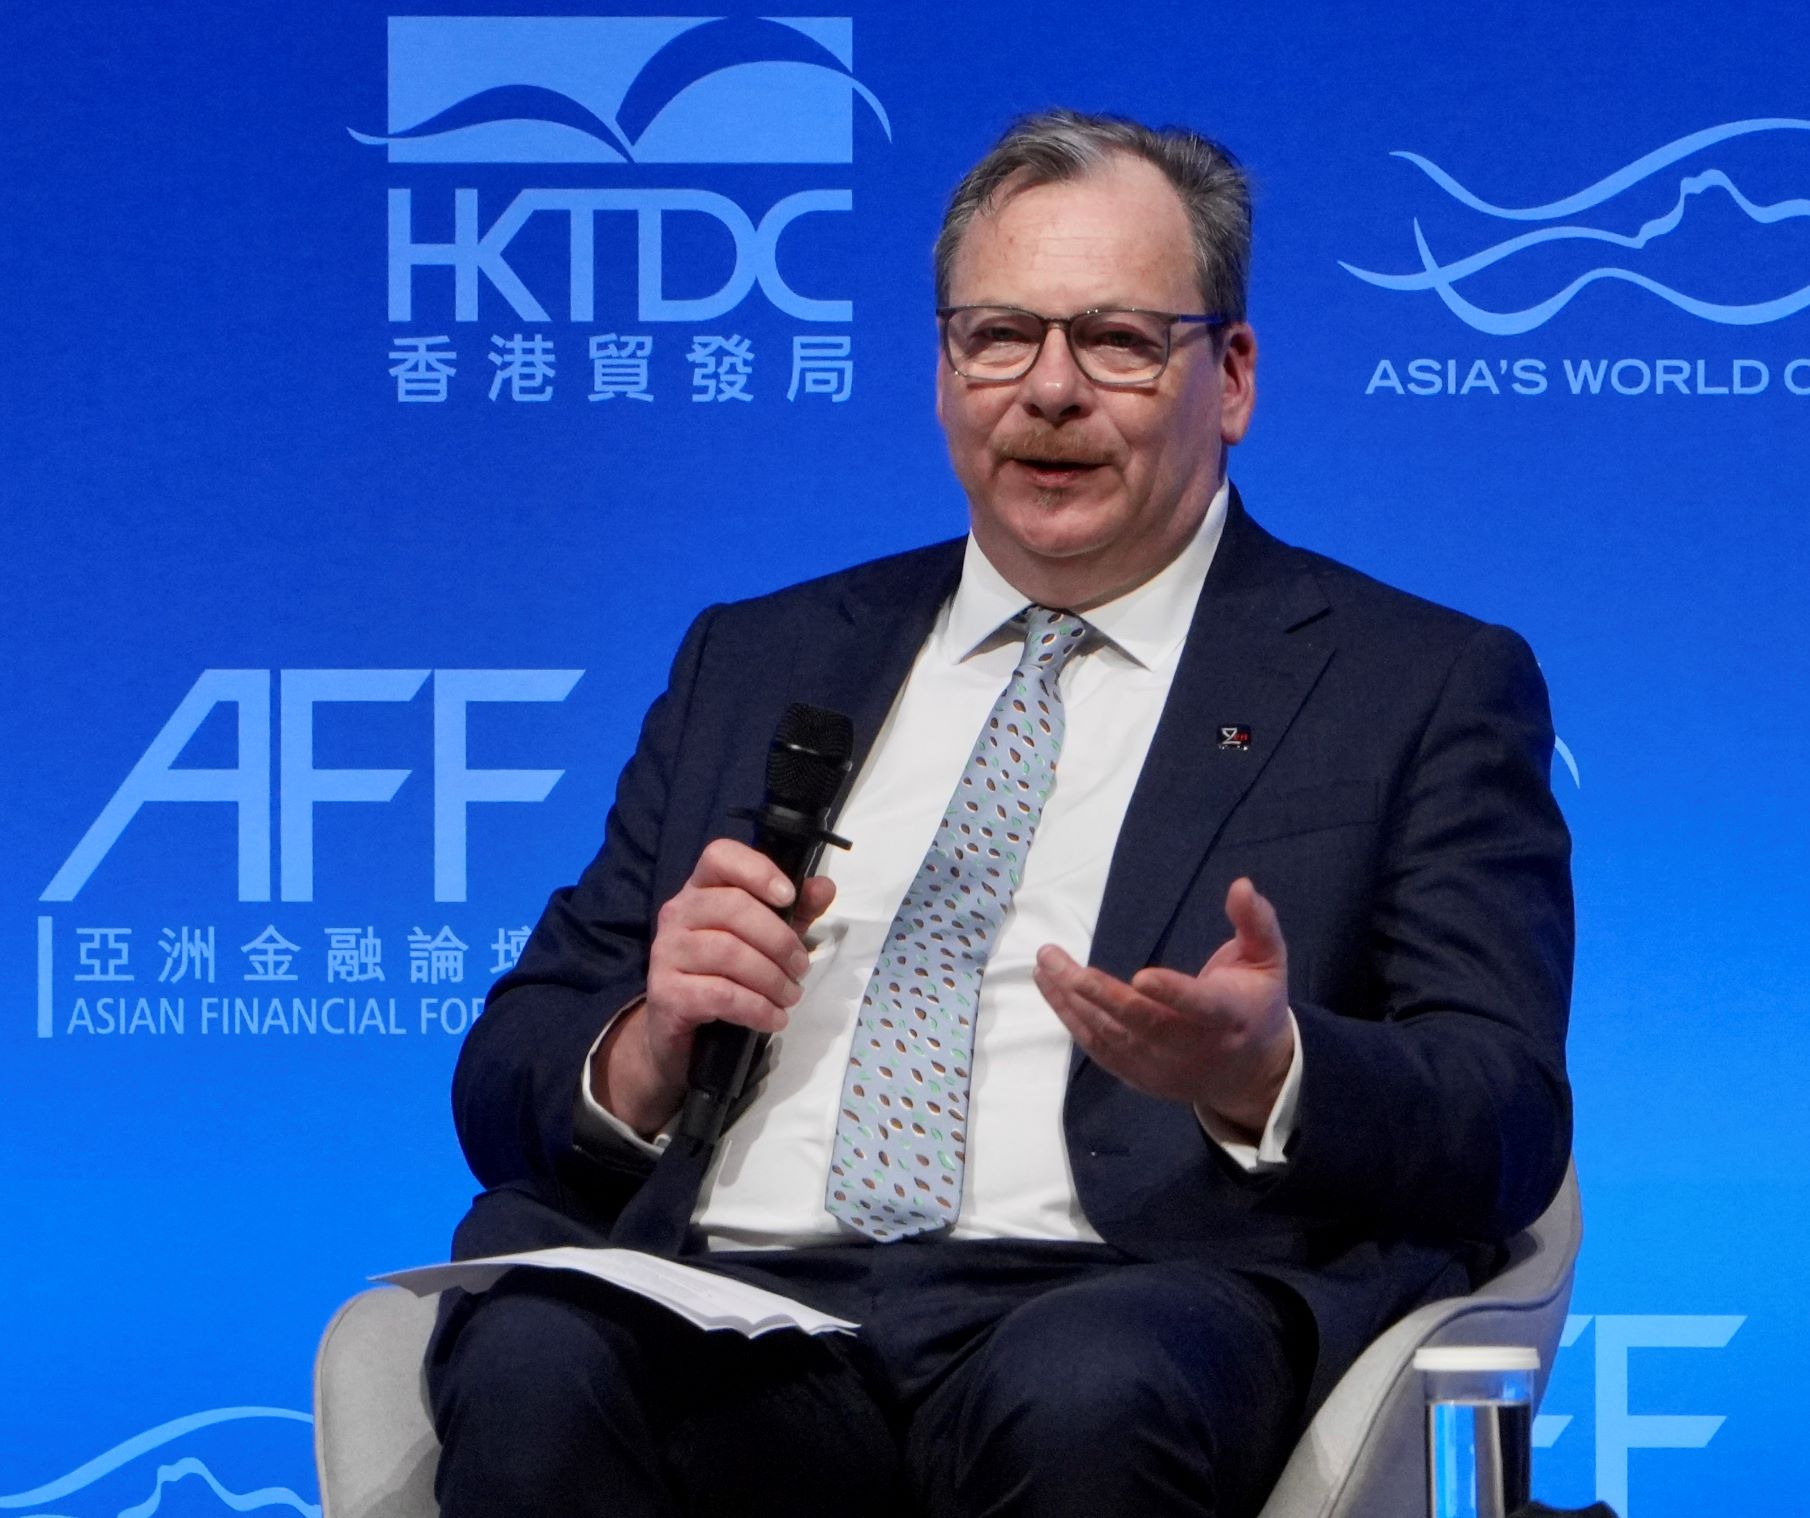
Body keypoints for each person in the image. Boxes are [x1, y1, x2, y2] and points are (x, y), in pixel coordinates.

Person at [427, 109, 1573, 1518]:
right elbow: (509, 1070)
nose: (1050, 391)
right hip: (736, 1303)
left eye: (1117, 341)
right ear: (942, 369)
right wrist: (650, 1045)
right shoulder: (762, 655)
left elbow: (1506, 1114)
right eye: (1000, 336)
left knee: (1086, 1389)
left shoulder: (1414, 682)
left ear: (1231, 376)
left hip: (1128, 1292)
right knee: (537, 1357)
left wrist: (1270, 1069)